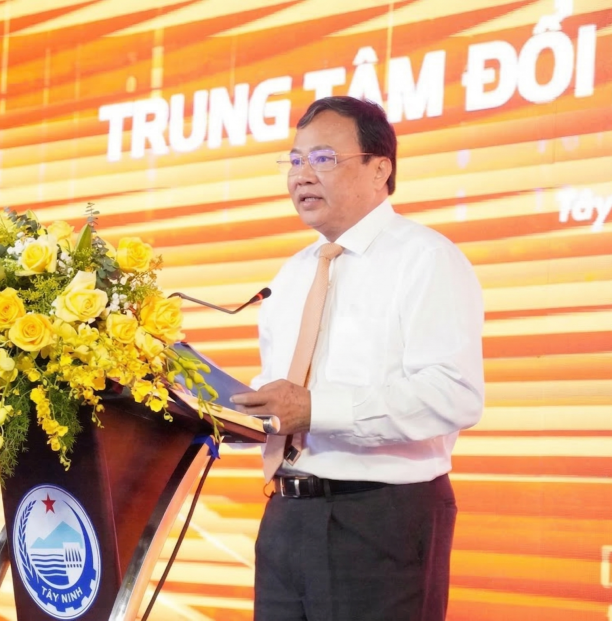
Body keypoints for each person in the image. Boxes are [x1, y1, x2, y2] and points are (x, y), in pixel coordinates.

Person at [230, 96, 485, 621]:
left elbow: (453, 394)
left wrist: (316, 410)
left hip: (380, 520)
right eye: (294, 160)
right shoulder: (293, 273)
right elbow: (286, 393)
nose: (301, 175)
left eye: (322, 158)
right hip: (286, 516)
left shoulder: (425, 259)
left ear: (380, 169)